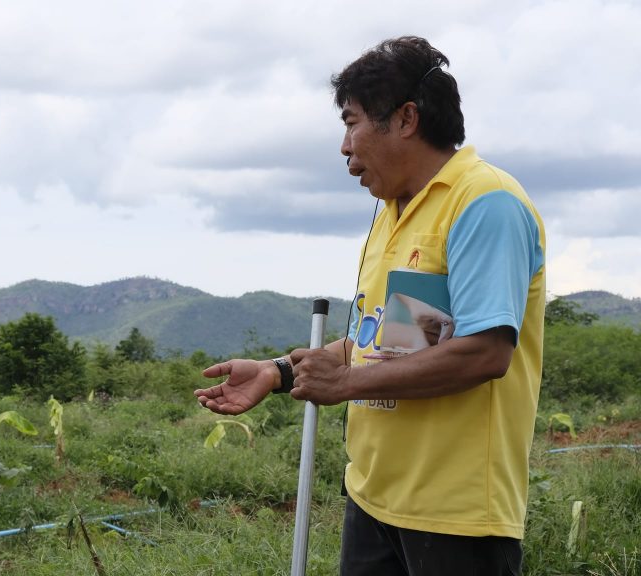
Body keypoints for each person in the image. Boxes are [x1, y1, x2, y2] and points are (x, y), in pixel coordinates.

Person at [194, 36, 545, 576]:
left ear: (406, 118)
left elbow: (483, 353)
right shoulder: (392, 213)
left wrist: (347, 386)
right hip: (374, 499)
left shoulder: (485, 203)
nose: (344, 146)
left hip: (454, 514)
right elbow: (393, 342)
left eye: (351, 121)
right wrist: (279, 371)